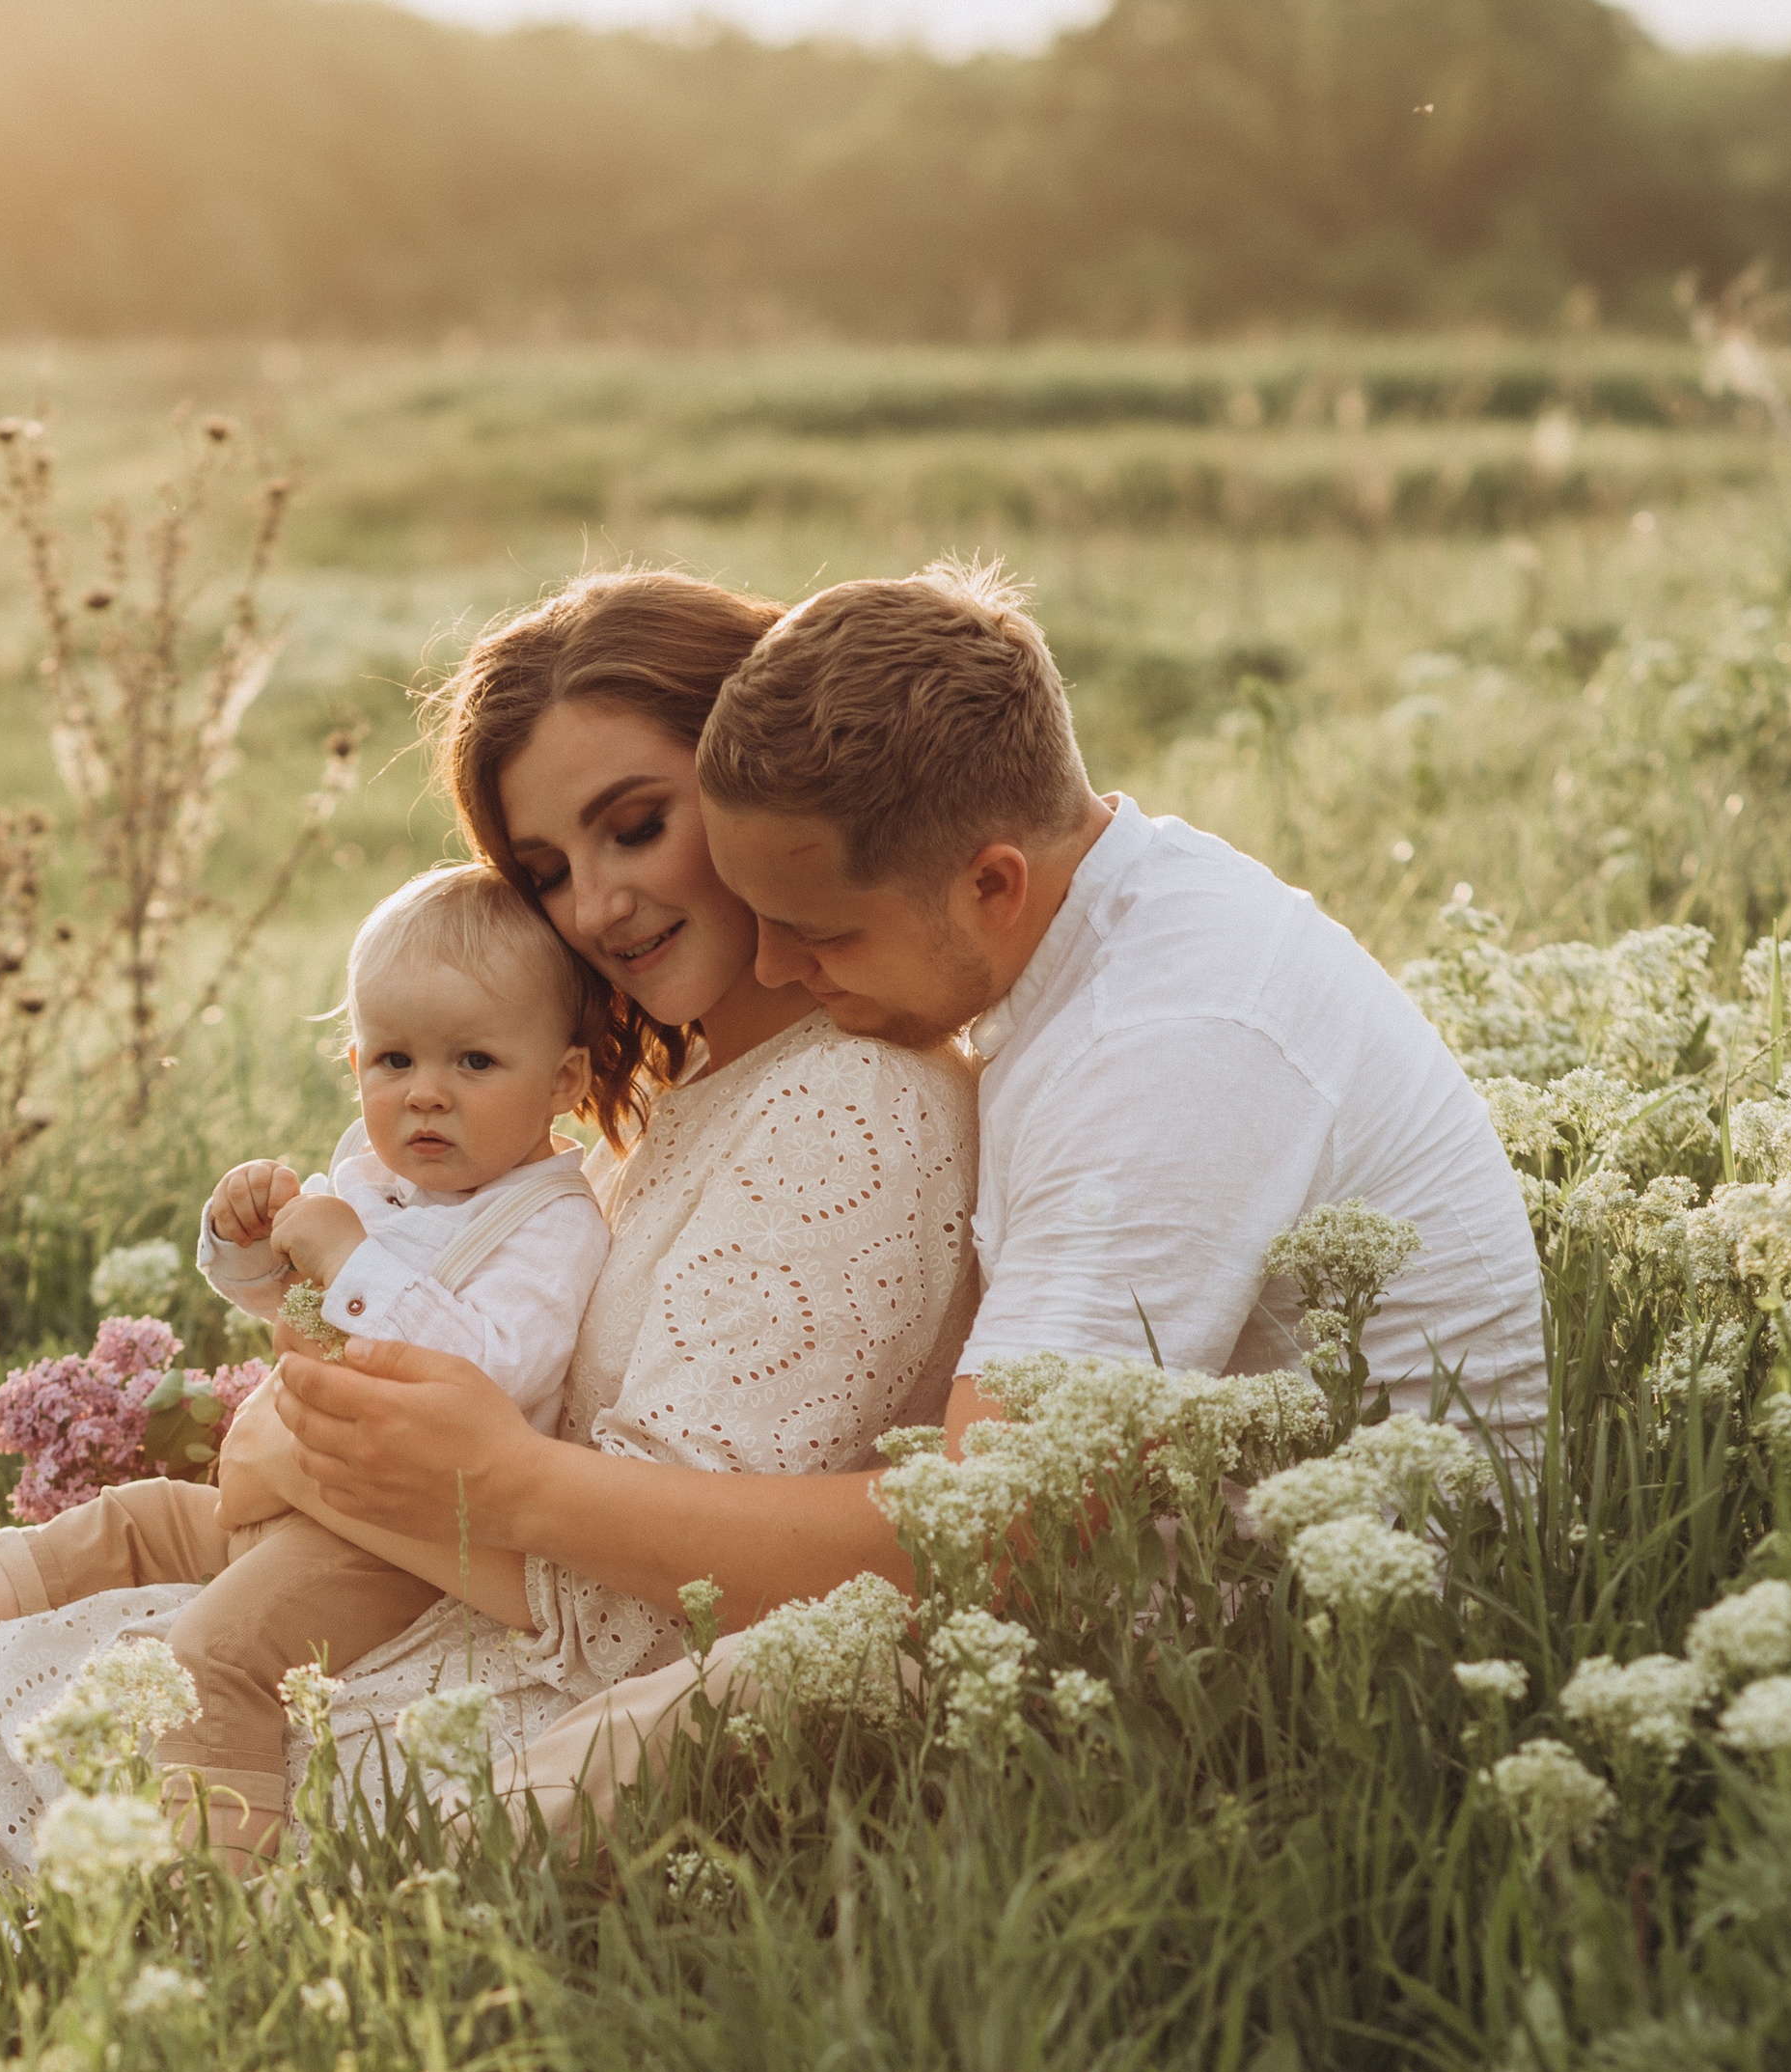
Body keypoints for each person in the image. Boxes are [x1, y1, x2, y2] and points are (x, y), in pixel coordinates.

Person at [0, 571, 978, 1959]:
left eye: (637, 827)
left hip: (542, 1698)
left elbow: (663, 1622)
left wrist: (300, 1461)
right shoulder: (675, 1099)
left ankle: (146, 1954)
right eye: (543, 870)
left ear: (755, 775)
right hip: (442, 1596)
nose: (592, 906)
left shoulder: (853, 1105)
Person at [270, 560, 1548, 1648]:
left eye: (818, 934)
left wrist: (508, 1485)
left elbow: (992, 1536)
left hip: (1326, 1667)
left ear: (990, 883)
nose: (774, 970)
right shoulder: (1119, 922)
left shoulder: (1159, 1054)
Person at [0, 865, 612, 1867]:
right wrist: (247, 1242)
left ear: (564, 1083)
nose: (424, 1092)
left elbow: (494, 1373)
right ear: (353, 1063)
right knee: (132, 1522)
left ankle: (222, 1888)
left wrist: (350, 1259)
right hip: (306, 1496)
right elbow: (286, 1301)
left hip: (402, 1542)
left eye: (473, 1061)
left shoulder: (549, 1224)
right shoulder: (388, 1183)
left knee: (214, 1654)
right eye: (391, 1060)